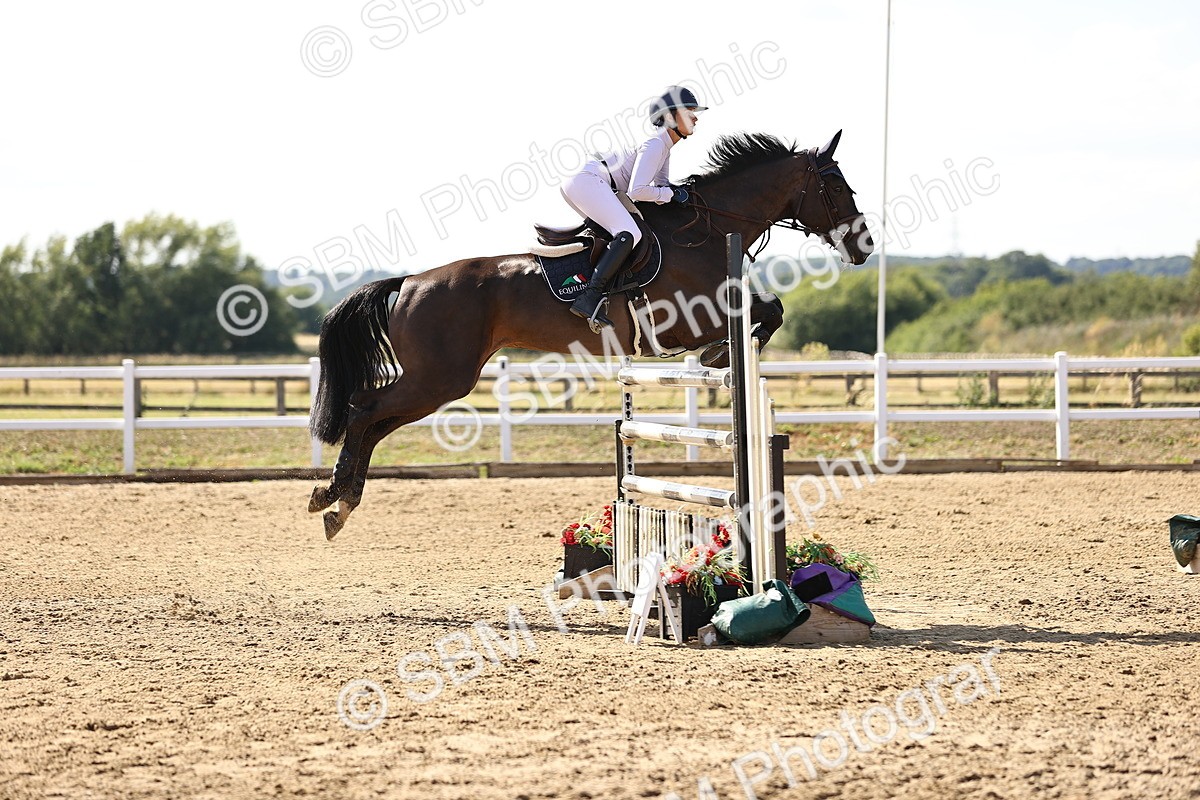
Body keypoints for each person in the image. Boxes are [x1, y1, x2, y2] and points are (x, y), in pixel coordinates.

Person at [562, 85, 706, 331]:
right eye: (689, 110)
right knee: (631, 233)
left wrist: (679, 192)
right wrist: (671, 194)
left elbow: (661, 186)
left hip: (591, 183)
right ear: (671, 116)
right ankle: (589, 297)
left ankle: (603, 294)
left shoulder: (664, 147)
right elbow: (637, 191)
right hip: (589, 181)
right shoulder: (655, 145)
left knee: (620, 236)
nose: (695, 116)